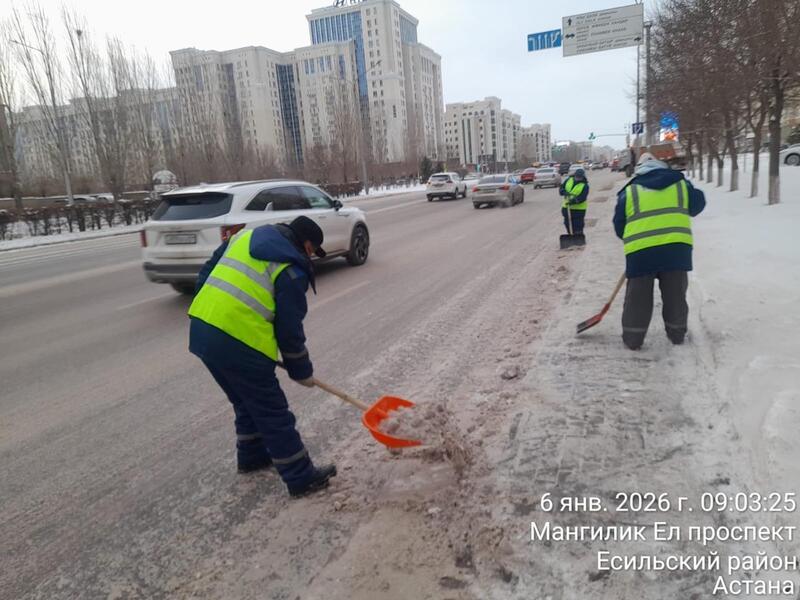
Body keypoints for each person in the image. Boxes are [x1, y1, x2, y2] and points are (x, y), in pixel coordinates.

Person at [187, 216, 336, 498]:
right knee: (272, 411)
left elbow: (207, 271)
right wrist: (300, 370)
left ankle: (252, 456)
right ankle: (301, 477)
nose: (310, 258)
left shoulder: (243, 237)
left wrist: (206, 310)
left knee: (245, 401)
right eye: (311, 251)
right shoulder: (290, 270)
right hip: (239, 342)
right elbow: (290, 331)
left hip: (202, 328)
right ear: (305, 244)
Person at [613, 153, 706, 350]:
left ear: (638, 169)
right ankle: (677, 333)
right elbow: (697, 205)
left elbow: (619, 225)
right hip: (676, 250)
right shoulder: (681, 185)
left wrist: (634, 239)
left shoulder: (629, 191)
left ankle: (633, 339)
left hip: (641, 253)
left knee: (638, 298)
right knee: (675, 294)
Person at [559, 168, 590, 234]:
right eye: (577, 177)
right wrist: (563, 192)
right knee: (567, 224)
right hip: (566, 208)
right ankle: (570, 236)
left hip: (579, 210)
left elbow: (582, 198)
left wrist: (573, 202)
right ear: (574, 175)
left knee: (578, 226)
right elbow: (561, 188)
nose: (578, 178)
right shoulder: (568, 180)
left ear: (583, 177)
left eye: (579, 177)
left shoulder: (585, 186)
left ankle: (578, 238)